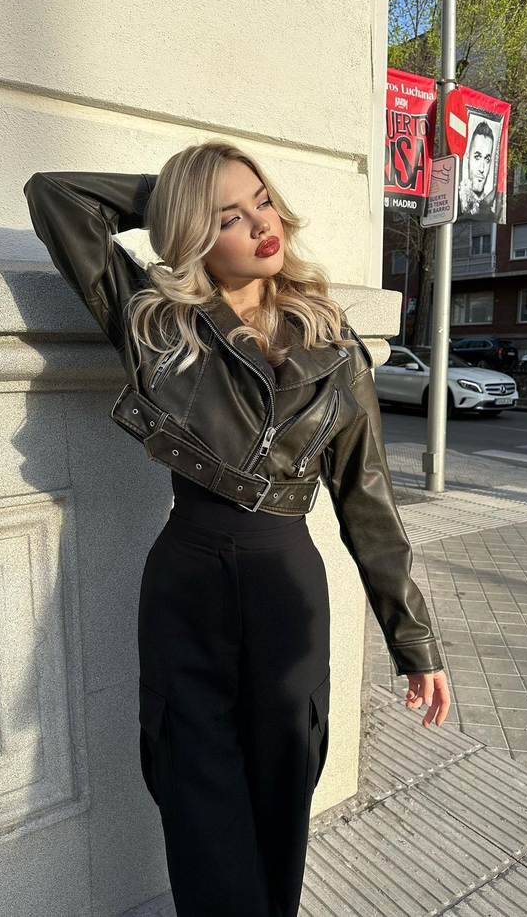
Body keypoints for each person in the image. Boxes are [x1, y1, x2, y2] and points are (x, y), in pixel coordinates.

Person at [23, 140, 450, 917]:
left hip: (287, 594)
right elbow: (56, 196)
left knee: (280, 805)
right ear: (192, 232)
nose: (261, 222)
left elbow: (368, 500)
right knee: (198, 809)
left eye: (261, 200)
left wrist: (413, 639)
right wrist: (178, 196)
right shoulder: (158, 323)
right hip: (187, 590)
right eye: (228, 216)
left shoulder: (333, 343)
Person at [459, 120, 498, 219]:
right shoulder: (455, 201)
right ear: (467, 158)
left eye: (487, 159)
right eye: (477, 157)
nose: (482, 168)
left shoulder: (492, 210)